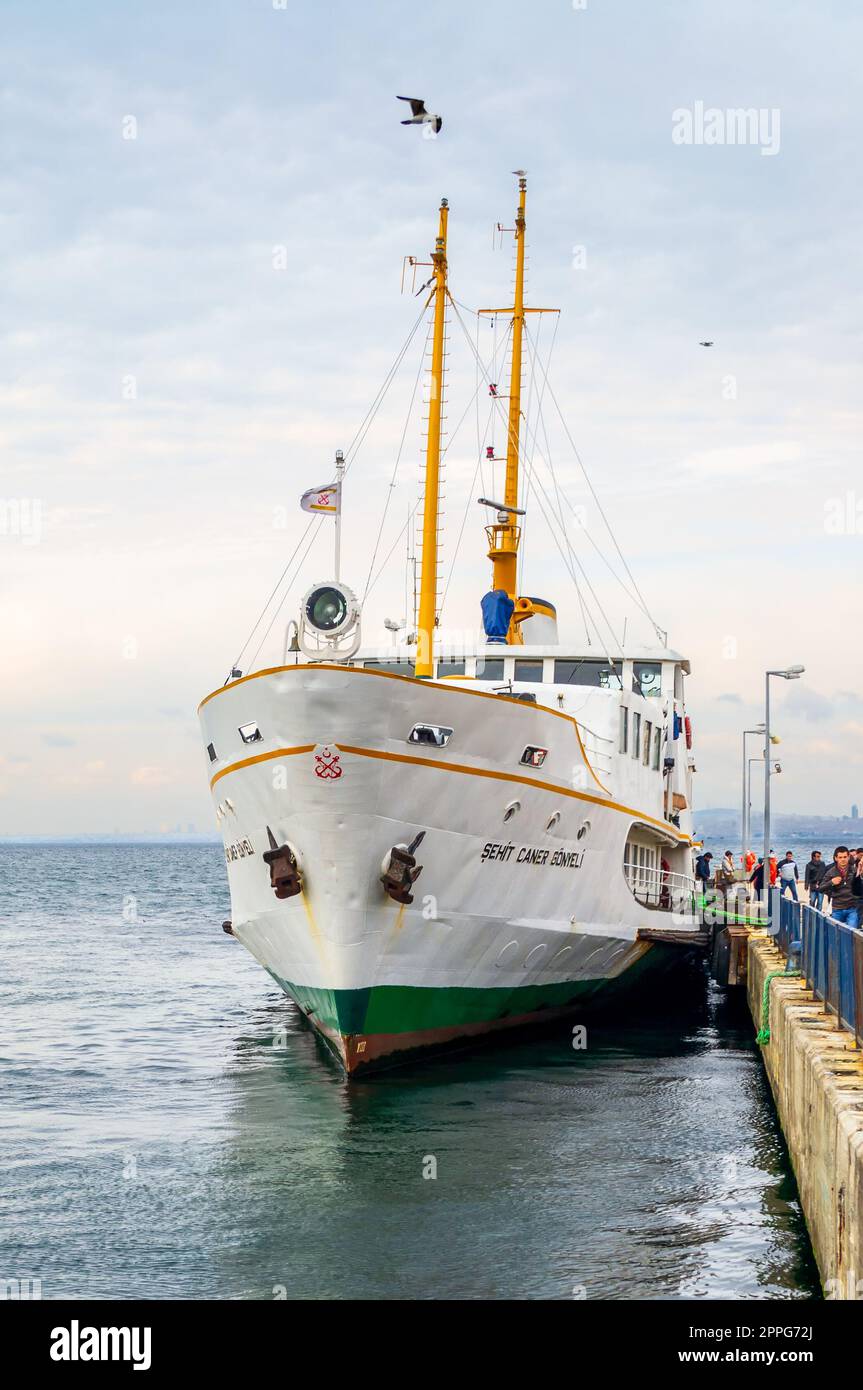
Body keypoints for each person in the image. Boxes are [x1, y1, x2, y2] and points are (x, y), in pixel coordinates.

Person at [819, 846, 861, 929]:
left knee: (851, 934)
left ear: (849, 857)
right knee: (836, 936)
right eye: (840, 857)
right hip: (837, 909)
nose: (843, 859)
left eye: (845, 857)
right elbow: (821, 888)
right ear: (836, 858)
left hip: (852, 909)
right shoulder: (831, 872)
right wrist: (831, 882)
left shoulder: (855, 871)